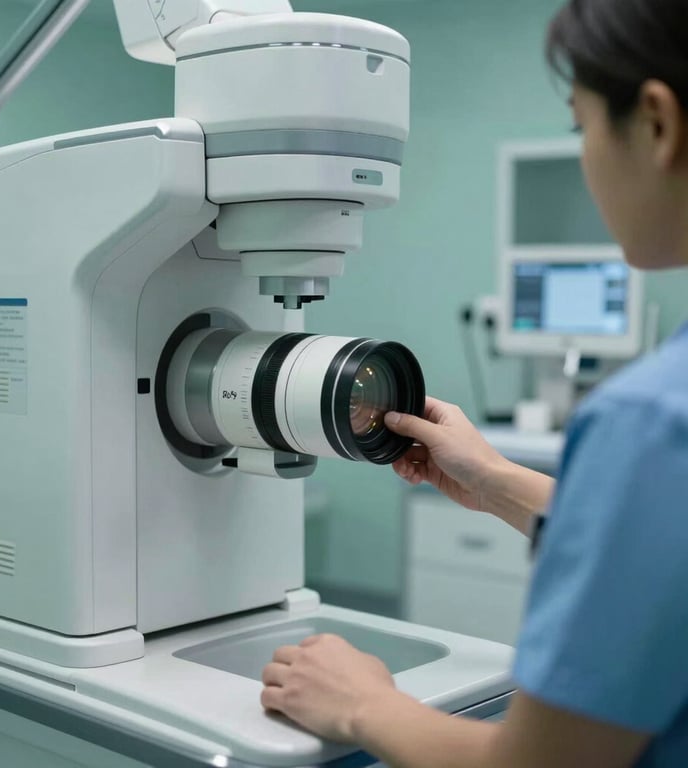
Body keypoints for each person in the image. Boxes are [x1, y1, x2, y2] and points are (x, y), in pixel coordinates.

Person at [260, 0, 688, 765]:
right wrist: (492, 480)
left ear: (656, 123)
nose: (587, 156)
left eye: (580, 126)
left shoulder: (649, 421)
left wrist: (363, 703)